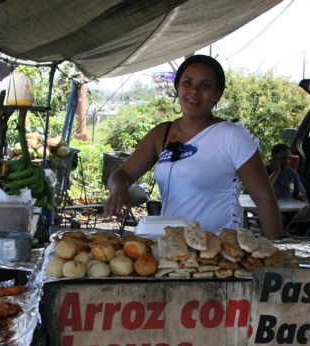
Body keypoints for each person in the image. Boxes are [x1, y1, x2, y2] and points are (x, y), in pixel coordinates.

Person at [104, 55, 282, 239]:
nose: (194, 91)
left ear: (217, 94)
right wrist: (119, 188)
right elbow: (121, 175)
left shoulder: (232, 136)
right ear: (177, 87)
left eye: (205, 85)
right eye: (187, 83)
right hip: (170, 248)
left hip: (219, 252)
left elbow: (264, 198)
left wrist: (278, 254)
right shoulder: (161, 133)